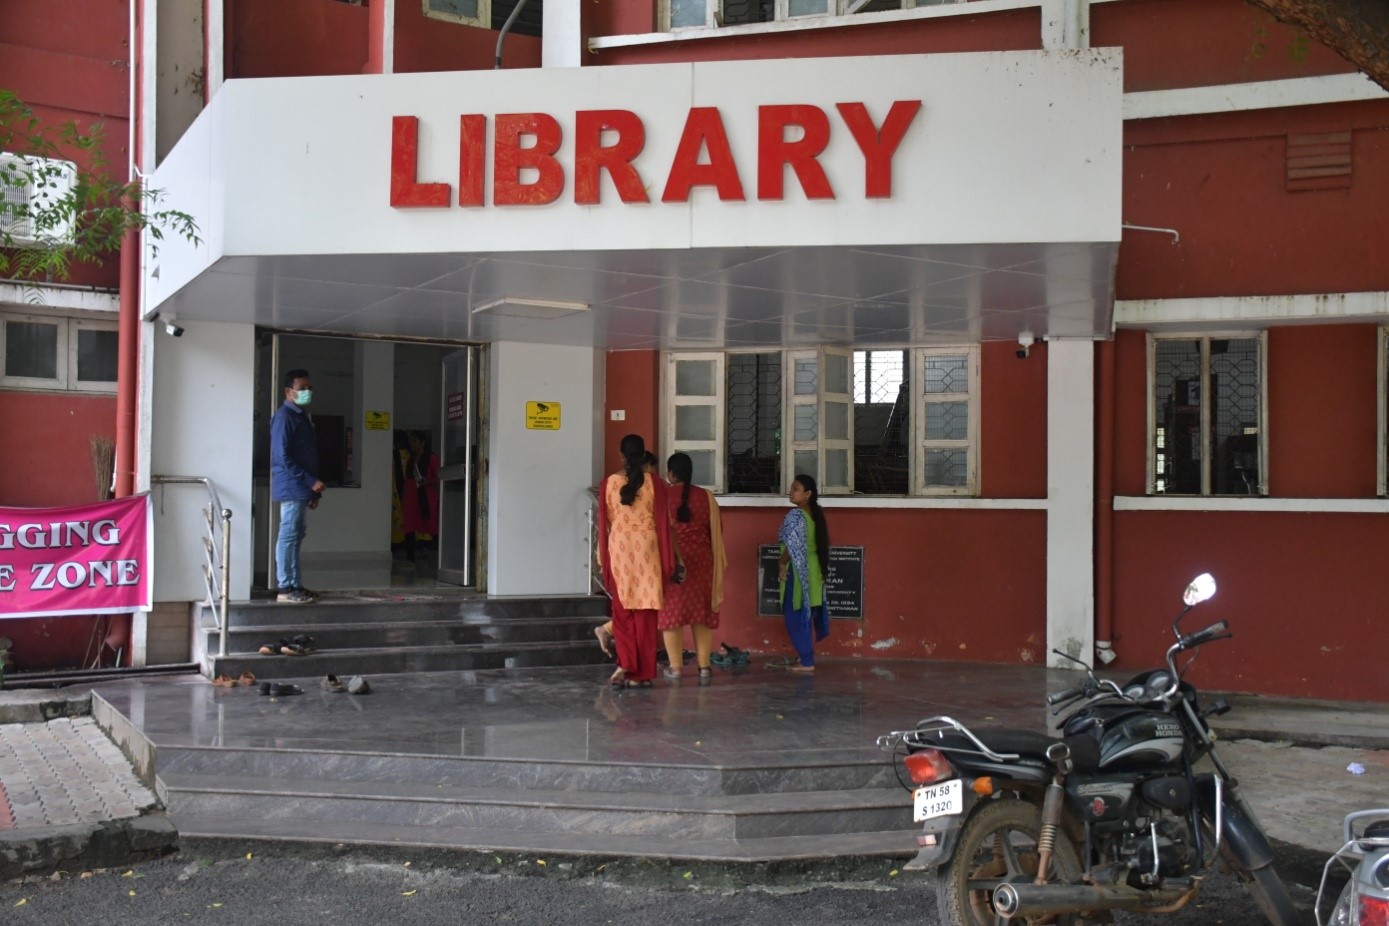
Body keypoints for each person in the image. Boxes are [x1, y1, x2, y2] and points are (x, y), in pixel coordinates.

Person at [596, 434, 678, 688]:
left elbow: (607, 522)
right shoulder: (655, 484)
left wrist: (603, 557)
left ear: (621, 456)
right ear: (644, 455)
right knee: (646, 611)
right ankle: (641, 674)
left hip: (621, 549)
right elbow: (665, 521)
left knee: (623, 609)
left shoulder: (609, 483)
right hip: (648, 549)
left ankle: (627, 663)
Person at [658, 452, 726, 683]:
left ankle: (676, 668)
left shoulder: (662, 496)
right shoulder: (706, 497)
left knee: (671, 613)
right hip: (703, 560)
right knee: (702, 613)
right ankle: (704, 667)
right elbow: (718, 530)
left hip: (674, 562)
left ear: (670, 473)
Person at [271, 368, 324, 604]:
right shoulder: (285, 417)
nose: (307, 392)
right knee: (289, 535)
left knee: (296, 534)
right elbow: (282, 456)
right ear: (288, 391)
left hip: (301, 486)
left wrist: (312, 491)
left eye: (309, 388)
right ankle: (285, 587)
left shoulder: (301, 416)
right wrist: (310, 481)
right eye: (302, 388)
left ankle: (295, 585)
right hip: (292, 484)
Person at [777, 474, 830, 672]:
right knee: (806, 613)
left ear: (808, 494)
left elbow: (792, 546)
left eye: (796, 488)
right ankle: (806, 658)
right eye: (792, 487)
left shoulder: (796, 515)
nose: (791, 491)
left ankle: (807, 660)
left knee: (795, 613)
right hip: (813, 569)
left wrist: (781, 563)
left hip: (799, 570)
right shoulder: (815, 515)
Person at [400, 430, 440, 564]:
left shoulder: (432, 458)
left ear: (423, 442)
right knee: (409, 525)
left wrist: (427, 481)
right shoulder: (411, 458)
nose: (412, 444)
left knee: (431, 525)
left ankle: (442, 554)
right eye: (411, 441)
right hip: (411, 496)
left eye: (415, 441)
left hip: (426, 497)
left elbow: (439, 477)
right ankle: (410, 558)